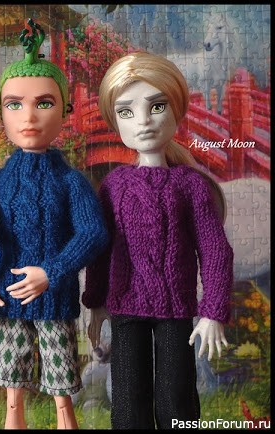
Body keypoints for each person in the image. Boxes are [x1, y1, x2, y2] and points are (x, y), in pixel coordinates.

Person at [0, 18, 109, 429]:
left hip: (56, 300)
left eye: (44, 103)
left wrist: (52, 271)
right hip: (9, 301)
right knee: (13, 386)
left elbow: (93, 233)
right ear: (1, 112)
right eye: (15, 104)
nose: (28, 116)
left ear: (64, 111)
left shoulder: (70, 182)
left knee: (62, 384)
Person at [82, 51, 234, 429]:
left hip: (176, 309)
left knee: (176, 399)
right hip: (125, 306)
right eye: (126, 111)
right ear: (115, 121)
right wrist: (95, 302)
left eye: (157, 106)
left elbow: (215, 250)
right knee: (128, 402)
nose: (144, 121)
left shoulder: (191, 185)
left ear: (176, 109)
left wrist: (213, 310)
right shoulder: (115, 185)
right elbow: (102, 250)